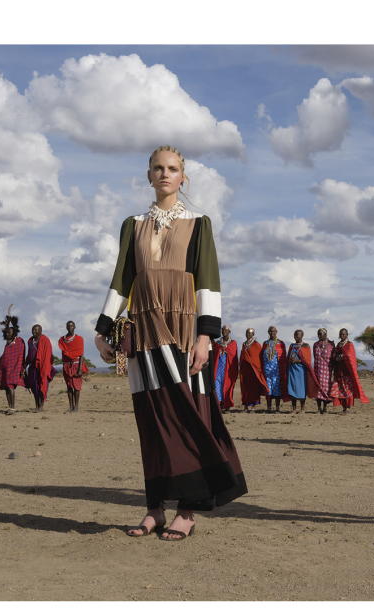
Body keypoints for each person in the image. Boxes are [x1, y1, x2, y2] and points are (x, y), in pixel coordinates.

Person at [94, 145, 246, 541]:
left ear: (183, 177)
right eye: (158, 168)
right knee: (152, 420)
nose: (165, 174)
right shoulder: (133, 224)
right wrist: (103, 329)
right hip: (143, 331)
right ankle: (154, 509)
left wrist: (204, 336)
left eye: (173, 169)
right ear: (148, 175)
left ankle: (188, 509)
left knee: (187, 416)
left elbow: (209, 282)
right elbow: (121, 279)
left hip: (182, 332)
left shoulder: (200, 223)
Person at [330, 328, 369, 414]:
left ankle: (348, 408)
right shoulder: (338, 345)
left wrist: (339, 357)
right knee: (341, 390)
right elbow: (335, 355)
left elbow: (349, 356)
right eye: (341, 334)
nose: (342, 336)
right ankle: (344, 407)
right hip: (339, 371)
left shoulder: (349, 345)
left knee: (347, 390)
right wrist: (337, 356)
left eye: (344, 334)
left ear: (347, 335)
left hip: (347, 371)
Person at [0, 313, 27, 414]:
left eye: (9, 332)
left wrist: (22, 368)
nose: (7, 334)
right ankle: (10, 407)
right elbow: (6, 356)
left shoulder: (19, 341)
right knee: (6, 387)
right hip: (6, 368)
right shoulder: (7, 344)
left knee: (10, 386)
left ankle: (13, 408)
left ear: (14, 333)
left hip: (16, 368)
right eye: (6, 332)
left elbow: (21, 355)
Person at [59, 320, 88, 413]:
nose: (70, 327)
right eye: (68, 326)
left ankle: (76, 407)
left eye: (71, 326)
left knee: (77, 387)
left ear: (74, 327)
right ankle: (70, 406)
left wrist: (80, 369)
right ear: (66, 327)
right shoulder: (62, 339)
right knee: (69, 387)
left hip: (76, 365)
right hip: (66, 366)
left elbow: (81, 354)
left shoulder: (79, 339)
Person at [25, 324, 56, 412]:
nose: (34, 332)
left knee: (42, 385)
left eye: (36, 330)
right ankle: (37, 406)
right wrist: (25, 366)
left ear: (40, 331)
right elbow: (29, 355)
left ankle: (41, 406)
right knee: (34, 387)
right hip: (32, 367)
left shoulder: (45, 340)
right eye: (33, 330)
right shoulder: (30, 341)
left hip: (42, 367)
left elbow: (48, 354)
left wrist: (45, 367)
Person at [286, 329, 318, 414]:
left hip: (301, 372)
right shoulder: (291, 346)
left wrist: (297, 361)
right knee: (292, 389)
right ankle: (294, 409)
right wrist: (290, 360)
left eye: (297, 335)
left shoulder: (306, 346)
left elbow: (307, 361)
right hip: (292, 371)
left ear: (302, 335)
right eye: (294, 334)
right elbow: (288, 357)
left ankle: (302, 409)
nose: (295, 336)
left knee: (301, 389)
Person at [210, 325, 239, 411]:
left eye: (226, 330)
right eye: (222, 330)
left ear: (229, 332)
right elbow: (214, 355)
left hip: (228, 368)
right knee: (217, 384)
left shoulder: (233, 343)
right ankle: (219, 404)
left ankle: (227, 406)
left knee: (227, 385)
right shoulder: (218, 343)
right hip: (218, 367)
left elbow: (233, 357)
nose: (224, 332)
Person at [239, 328, 268, 413]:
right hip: (246, 370)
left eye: (250, 333)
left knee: (254, 389)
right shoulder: (244, 344)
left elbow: (258, 359)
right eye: (247, 333)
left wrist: (257, 368)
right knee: (245, 388)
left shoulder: (257, 345)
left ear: (253, 334)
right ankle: (246, 407)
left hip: (254, 371)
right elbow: (242, 356)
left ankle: (253, 408)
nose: (248, 335)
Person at [261, 326, 288, 413]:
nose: (272, 333)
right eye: (270, 331)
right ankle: (268, 408)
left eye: (273, 331)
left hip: (277, 371)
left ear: (276, 332)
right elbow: (262, 357)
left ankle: (277, 408)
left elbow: (283, 358)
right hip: (267, 371)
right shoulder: (265, 343)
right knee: (268, 389)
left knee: (277, 390)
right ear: (268, 332)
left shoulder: (281, 343)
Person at [312, 328, 335, 414]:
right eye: (318, 334)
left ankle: (325, 408)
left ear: (325, 334)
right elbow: (315, 356)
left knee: (326, 389)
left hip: (327, 371)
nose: (319, 336)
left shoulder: (331, 345)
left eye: (321, 334)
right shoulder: (316, 345)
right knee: (318, 388)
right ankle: (318, 408)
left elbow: (333, 358)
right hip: (318, 370)